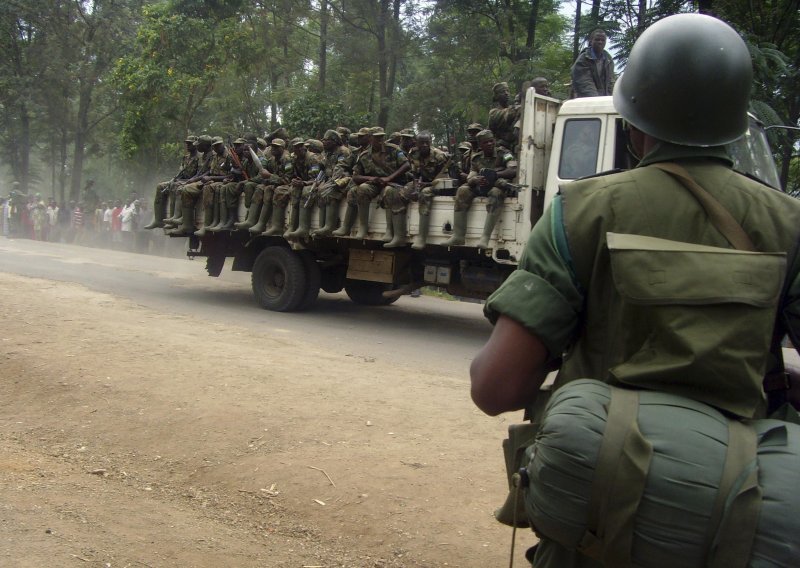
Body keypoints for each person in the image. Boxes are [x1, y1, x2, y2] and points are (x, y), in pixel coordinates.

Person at [470, 14, 800, 567]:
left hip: (597, 527)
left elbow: (495, 386)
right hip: (738, 529)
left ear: (633, 122)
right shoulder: (790, 224)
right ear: (735, 124)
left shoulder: (580, 211)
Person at [444, 129, 516, 248]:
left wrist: (495, 175)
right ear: (480, 145)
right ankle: (458, 236)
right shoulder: (476, 158)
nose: (489, 144)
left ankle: (485, 237)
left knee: (496, 193)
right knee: (462, 190)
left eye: (491, 141)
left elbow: (513, 170)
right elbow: (471, 176)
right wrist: (475, 180)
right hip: (481, 186)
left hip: (496, 185)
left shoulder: (504, 153)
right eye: (486, 142)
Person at [335, 127, 410, 240]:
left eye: (382, 137)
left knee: (389, 192)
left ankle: (389, 231)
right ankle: (362, 227)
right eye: (377, 138)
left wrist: (389, 178)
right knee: (361, 189)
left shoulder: (393, 149)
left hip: (393, 183)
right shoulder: (364, 154)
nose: (380, 140)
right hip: (375, 183)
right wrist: (372, 178)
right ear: (370, 138)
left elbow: (406, 165)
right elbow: (356, 176)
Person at [382, 131, 450, 249]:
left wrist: (427, 184)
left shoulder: (439, 156)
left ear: (430, 142)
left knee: (424, 193)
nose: (424, 145)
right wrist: (414, 184)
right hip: (420, 182)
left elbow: (444, 177)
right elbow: (413, 172)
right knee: (398, 195)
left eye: (426, 142)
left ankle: (421, 238)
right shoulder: (413, 153)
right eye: (421, 143)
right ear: (416, 143)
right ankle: (399, 237)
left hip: (436, 184)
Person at [144, 136, 199, 230]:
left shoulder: (199, 158)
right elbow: (181, 172)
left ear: (195, 145)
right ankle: (158, 220)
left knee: (175, 186)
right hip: (182, 180)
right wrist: (174, 179)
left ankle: (174, 218)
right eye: (187, 144)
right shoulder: (185, 158)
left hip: (192, 181)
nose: (188, 146)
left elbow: (199, 174)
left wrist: (181, 181)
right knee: (161, 186)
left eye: (190, 144)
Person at [311, 129, 352, 238]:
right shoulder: (327, 153)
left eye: (326, 140)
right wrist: (319, 182)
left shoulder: (343, 151)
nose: (323, 142)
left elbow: (340, 169)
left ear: (334, 141)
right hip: (331, 179)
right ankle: (322, 225)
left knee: (330, 191)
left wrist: (328, 183)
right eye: (323, 140)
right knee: (320, 191)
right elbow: (324, 169)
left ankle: (330, 226)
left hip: (343, 179)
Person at [570, 28, 615, 97]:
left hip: (603, 100)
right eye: (597, 39)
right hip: (585, 100)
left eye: (603, 40)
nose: (600, 42)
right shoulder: (583, 59)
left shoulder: (608, 60)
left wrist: (609, 99)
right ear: (591, 41)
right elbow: (585, 84)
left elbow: (610, 83)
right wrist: (596, 100)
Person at [488, 82, 521, 155]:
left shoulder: (515, 109)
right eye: (502, 92)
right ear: (496, 96)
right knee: (510, 165)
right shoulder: (493, 113)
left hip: (515, 149)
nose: (506, 93)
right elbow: (507, 115)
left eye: (507, 91)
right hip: (501, 152)